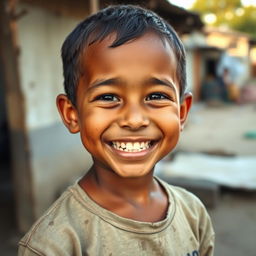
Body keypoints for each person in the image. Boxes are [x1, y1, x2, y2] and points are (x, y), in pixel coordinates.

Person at [18, 5, 214, 256]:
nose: (134, 120)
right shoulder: (55, 244)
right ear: (72, 114)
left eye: (156, 95)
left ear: (182, 111)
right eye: (109, 97)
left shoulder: (193, 213)